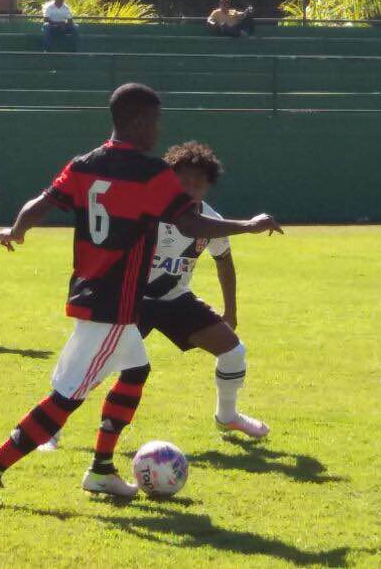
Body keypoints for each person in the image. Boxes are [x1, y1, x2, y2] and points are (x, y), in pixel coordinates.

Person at [0, 83, 283, 509]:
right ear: (137, 121)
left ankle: (101, 470)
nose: (157, 129)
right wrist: (249, 225)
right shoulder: (149, 173)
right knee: (68, 397)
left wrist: (17, 229)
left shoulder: (84, 164)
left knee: (135, 369)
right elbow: (192, 225)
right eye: (154, 120)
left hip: (91, 292)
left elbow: (42, 202)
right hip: (114, 303)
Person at [37, 140, 272, 452]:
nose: (189, 189)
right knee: (93, 368)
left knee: (233, 351)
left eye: (197, 184)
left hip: (176, 300)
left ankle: (226, 416)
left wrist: (232, 311)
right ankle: (49, 430)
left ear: (207, 187)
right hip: (133, 301)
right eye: (183, 181)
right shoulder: (149, 211)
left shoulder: (211, 220)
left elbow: (224, 262)